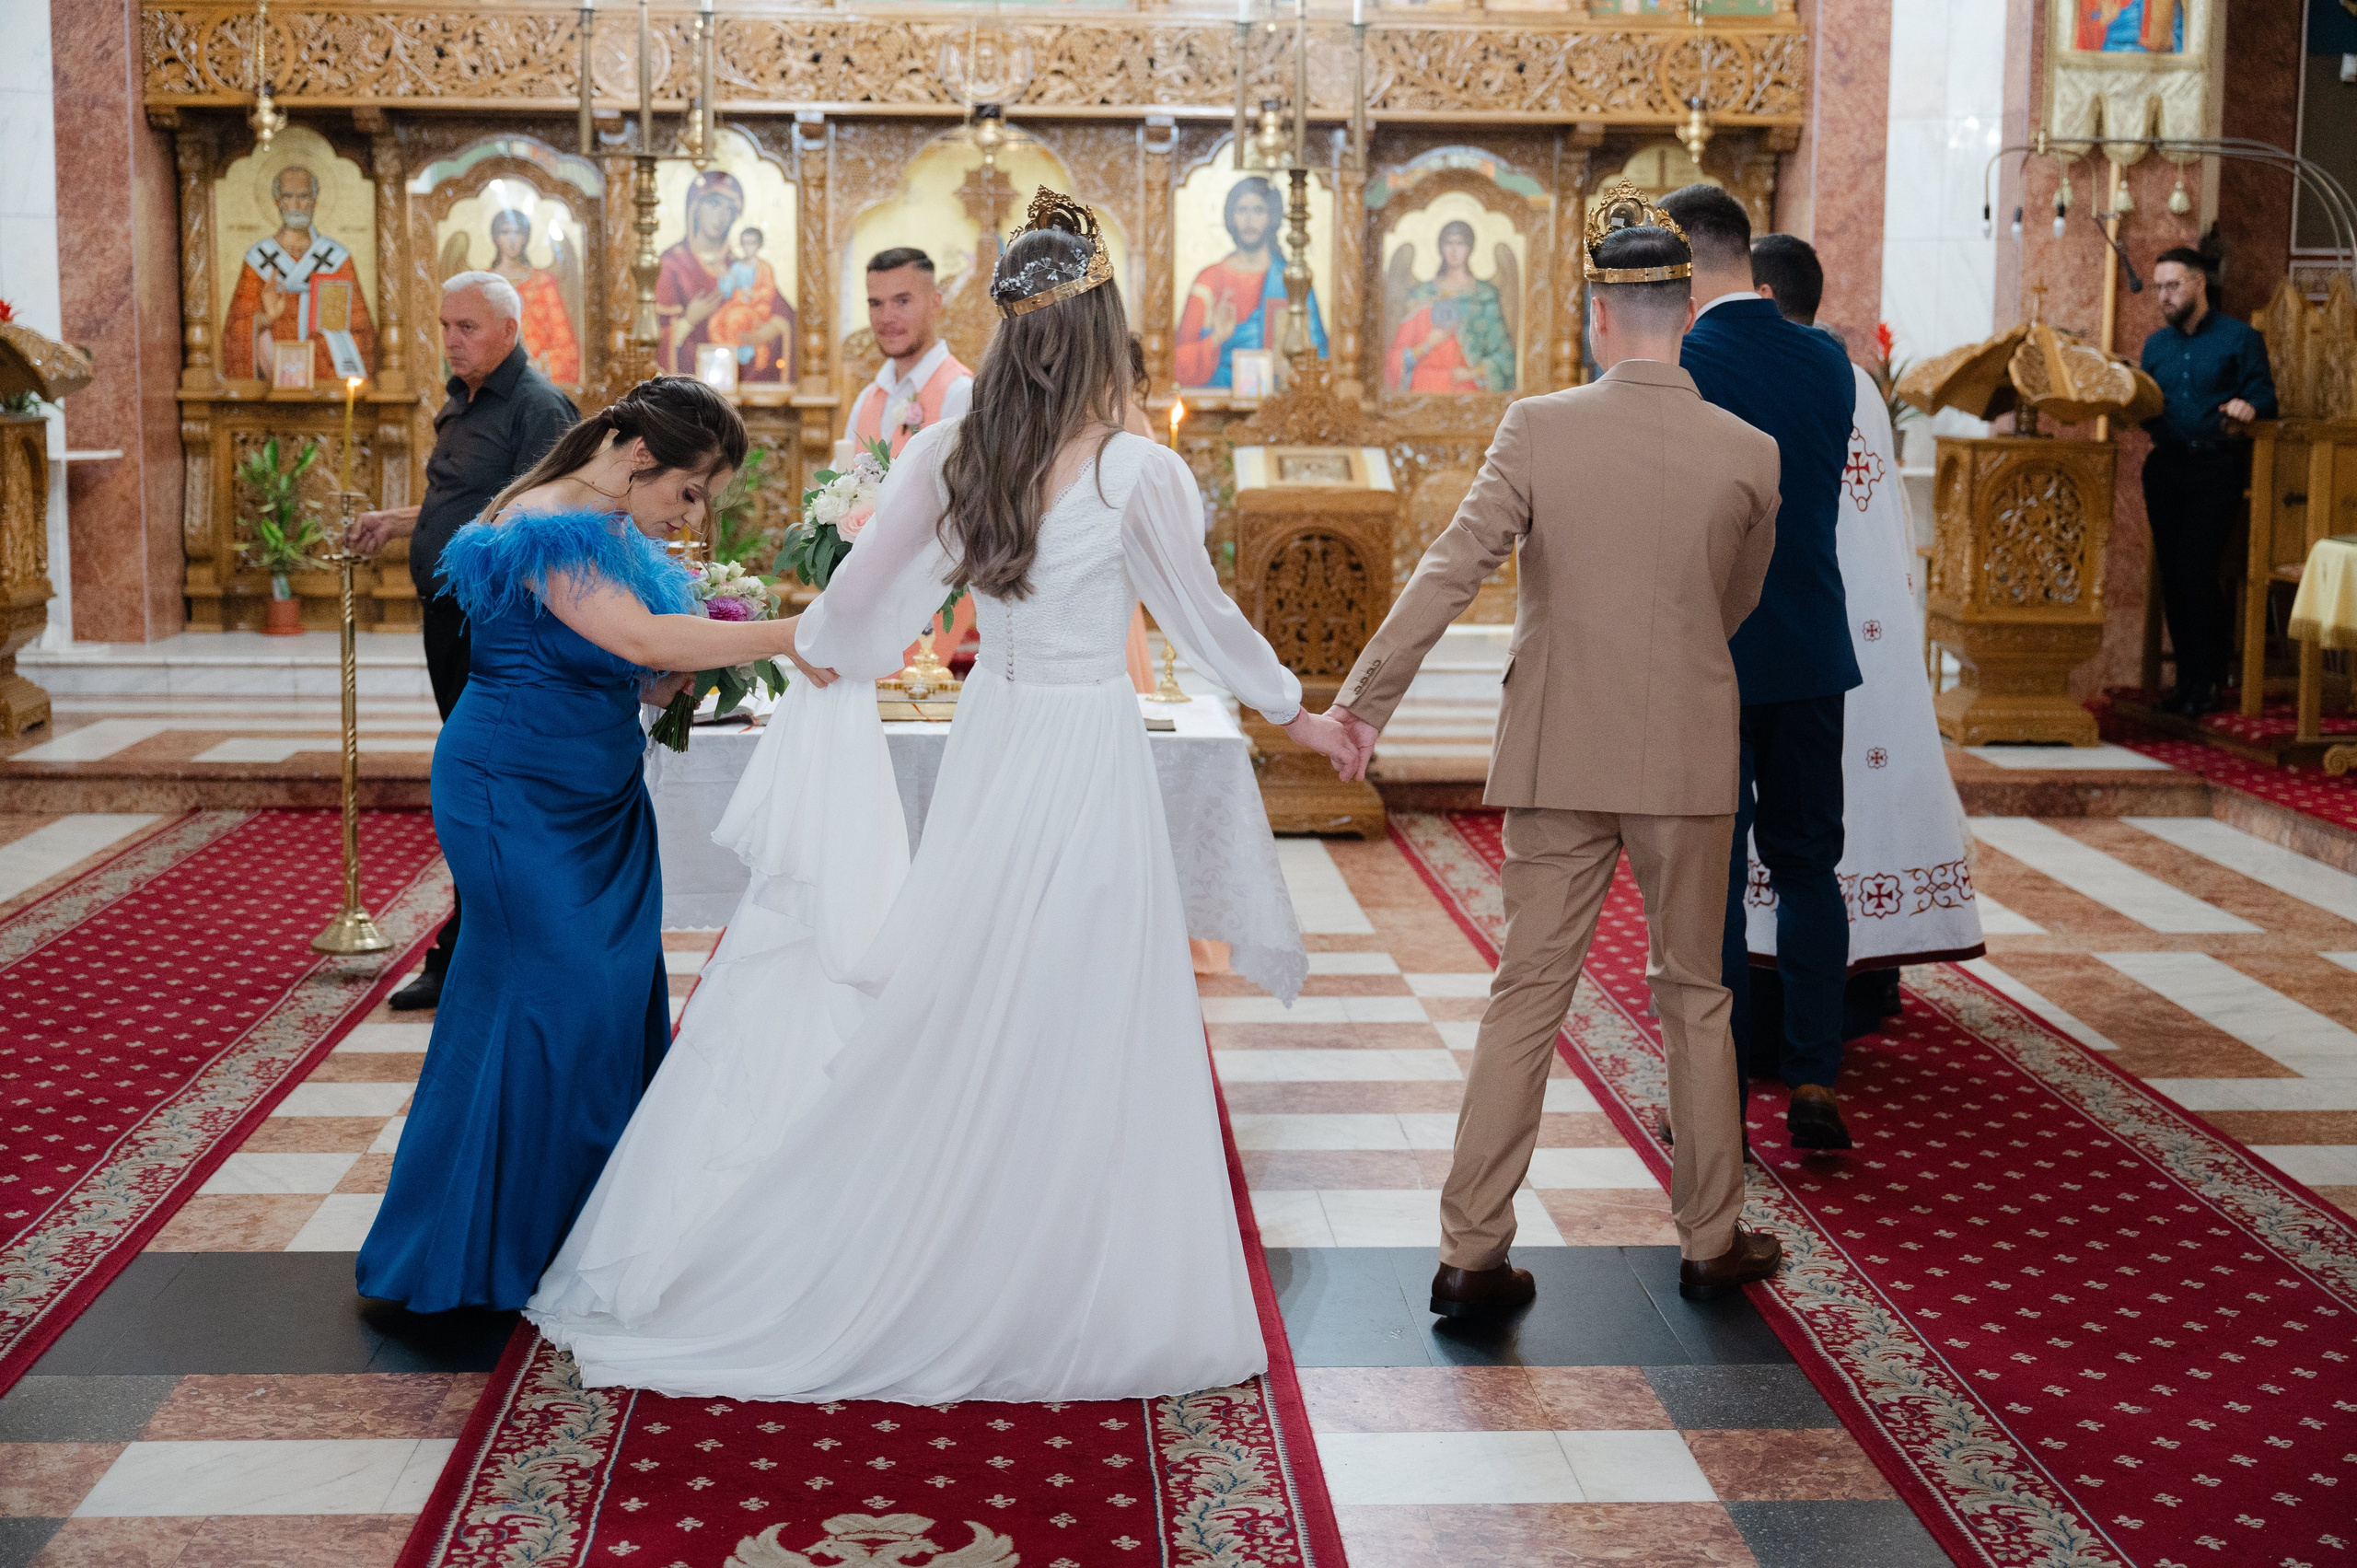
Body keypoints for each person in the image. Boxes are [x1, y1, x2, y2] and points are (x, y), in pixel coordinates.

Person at [525, 192, 1361, 1401]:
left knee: (973, 973)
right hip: (1085, 747)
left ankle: (957, 1225)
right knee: (1087, 988)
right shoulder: (1139, 472)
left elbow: (863, 603)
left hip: (995, 740)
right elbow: (1208, 621)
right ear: (1102, 335)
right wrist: (1299, 711)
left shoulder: (956, 452)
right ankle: (1071, 1258)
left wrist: (814, 651)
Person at [1324, 181, 1784, 1314]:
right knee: (1696, 994)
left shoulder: (1538, 426)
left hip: (1556, 747)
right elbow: (1734, 602)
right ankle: (1709, 1236)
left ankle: (1470, 1250)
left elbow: (1450, 568)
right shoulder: (1750, 451)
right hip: (1687, 751)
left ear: (1594, 313)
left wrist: (1364, 702)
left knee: (1526, 991)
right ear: (1688, 313)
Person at [355, 377, 825, 1313]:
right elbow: (640, 635)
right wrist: (798, 631)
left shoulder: (610, 531)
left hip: (597, 794)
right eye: (688, 491)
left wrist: (673, 680)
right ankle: (476, 1249)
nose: (689, 514)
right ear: (641, 455)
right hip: (513, 791)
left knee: (603, 1004)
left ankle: (578, 1235)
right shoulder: (542, 519)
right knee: (552, 1000)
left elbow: (628, 665)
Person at [1662, 182, 1863, 1153]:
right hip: (1812, 651)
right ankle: (1815, 1076)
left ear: (1683, 268)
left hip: (1713, 654)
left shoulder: (1681, 364)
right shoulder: (1828, 362)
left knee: (1713, 883)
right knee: (1809, 866)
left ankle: (1718, 1101)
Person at [1746, 235, 1983, 1032]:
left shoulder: (1778, 377)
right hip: (1864, 626)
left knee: (1796, 821)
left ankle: (1782, 999)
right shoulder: (1857, 384)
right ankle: (1864, 978)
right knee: (1850, 809)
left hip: (1797, 627)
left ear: (1764, 297)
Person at [350, 273, 582, 1011]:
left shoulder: (538, 407)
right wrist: (399, 522)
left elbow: (547, 520)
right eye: (446, 325)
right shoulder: (465, 399)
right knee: (471, 788)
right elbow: (464, 500)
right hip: (449, 620)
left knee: (482, 790)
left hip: (492, 628)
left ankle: (471, 958)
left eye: (467, 327)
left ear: (509, 331)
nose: (450, 340)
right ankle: (476, 951)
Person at [2140, 246, 2276, 717]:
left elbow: (2264, 395)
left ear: (2199, 283)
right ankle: (2186, 684)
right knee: (2173, 576)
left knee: (2197, 571)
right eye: (2158, 287)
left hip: (2215, 466)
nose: (2164, 296)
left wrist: (2248, 406)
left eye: (2173, 286)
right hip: (2165, 466)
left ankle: (2211, 680)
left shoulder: (2240, 338)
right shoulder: (2156, 346)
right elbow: (2144, 403)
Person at [849, 248, 977, 668]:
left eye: (902, 301)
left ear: (935, 302)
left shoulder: (961, 392)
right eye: (875, 303)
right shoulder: (867, 399)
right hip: (872, 597)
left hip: (939, 603)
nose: (887, 317)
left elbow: (970, 515)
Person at [222, 165, 376, 382]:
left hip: (324, 381)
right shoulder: (258, 259)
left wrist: (321, 345)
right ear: (277, 202)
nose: (296, 204)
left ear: (315, 201)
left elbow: (360, 330)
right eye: (288, 196)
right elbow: (234, 332)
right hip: (271, 381)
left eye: (303, 196)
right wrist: (266, 318)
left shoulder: (336, 259)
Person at [1174, 176, 1329, 389]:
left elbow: (1317, 354)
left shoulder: (1292, 280)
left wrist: (1290, 368)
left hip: (1280, 399)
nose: (1249, 219)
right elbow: (1179, 364)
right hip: (1216, 397)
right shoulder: (1208, 281)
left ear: (1272, 217)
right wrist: (1216, 338)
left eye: (1258, 210)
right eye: (1242, 210)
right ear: (1230, 216)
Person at [656, 170, 795, 383]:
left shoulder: (742, 267)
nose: (721, 216)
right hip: (687, 390)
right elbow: (651, 337)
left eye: (730, 209)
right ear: (695, 207)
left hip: (743, 380)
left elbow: (783, 313)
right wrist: (688, 321)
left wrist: (765, 332)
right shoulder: (672, 264)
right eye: (714, 204)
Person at [1385, 218, 1515, 393]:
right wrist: (1427, 345)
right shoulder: (1422, 294)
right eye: (1448, 243)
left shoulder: (1484, 295)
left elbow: (1504, 356)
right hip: (1425, 389)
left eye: (1460, 244)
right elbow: (1394, 359)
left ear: (1470, 248)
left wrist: (1471, 373)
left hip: (1471, 391)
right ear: (1441, 248)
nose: (1454, 251)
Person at [485, 207, 581, 386]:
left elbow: (566, 347)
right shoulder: (482, 283)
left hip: (535, 383)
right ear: (495, 237)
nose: (512, 240)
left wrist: (538, 365)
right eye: (505, 232)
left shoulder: (543, 282)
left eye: (518, 233)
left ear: (526, 238)